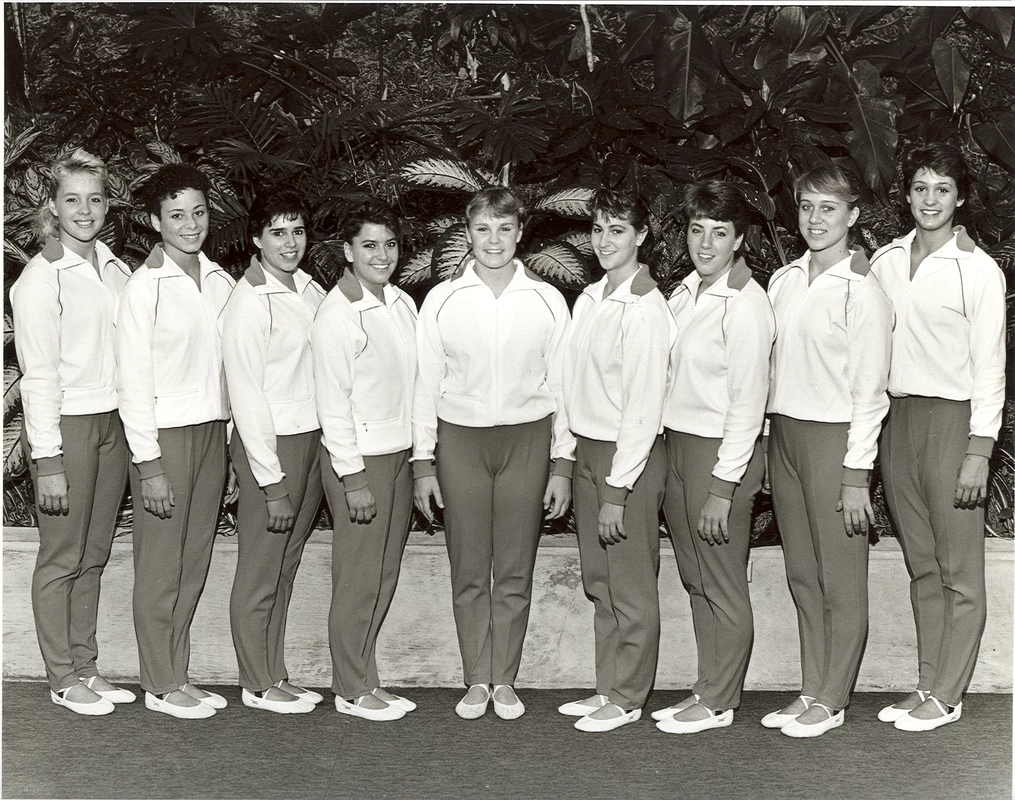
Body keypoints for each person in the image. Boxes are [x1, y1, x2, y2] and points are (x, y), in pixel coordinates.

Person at [413, 187, 574, 720]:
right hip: (460, 440)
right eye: (483, 229)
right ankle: (475, 679)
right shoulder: (441, 299)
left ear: (520, 232)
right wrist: (423, 462)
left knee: (513, 566)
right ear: (468, 232)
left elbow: (564, 384)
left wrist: (563, 463)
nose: (494, 240)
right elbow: (424, 384)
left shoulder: (548, 299)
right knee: (468, 565)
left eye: (504, 229)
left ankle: (505, 679)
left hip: (528, 438)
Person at [870, 143, 1006, 732]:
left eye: (942, 189)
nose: (930, 200)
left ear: (961, 198)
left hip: (954, 422)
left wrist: (979, 450)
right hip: (897, 421)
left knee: (959, 570)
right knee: (921, 563)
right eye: (921, 188)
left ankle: (948, 694)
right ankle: (927, 682)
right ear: (907, 195)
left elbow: (990, 367)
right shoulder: (884, 261)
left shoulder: (978, 269)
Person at [762, 165, 893, 738]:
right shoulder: (784, 280)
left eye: (829, 208)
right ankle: (812, 686)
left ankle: (833, 697)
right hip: (786, 436)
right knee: (803, 574)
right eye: (807, 206)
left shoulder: (863, 292)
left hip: (835, 439)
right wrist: (768, 442)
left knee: (840, 577)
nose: (816, 219)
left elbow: (871, 393)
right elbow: (771, 370)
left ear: (853, 215)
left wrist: (855, 472)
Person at [10, 149, 134, 715]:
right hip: (66, 427)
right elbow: (38, 376)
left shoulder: (115, 268)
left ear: (108, 204)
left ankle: (85, 664)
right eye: (72, 200)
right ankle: (62, 677)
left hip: (113, 423)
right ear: (53, 208)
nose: (85, 210)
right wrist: (50, 458)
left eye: (95, 198)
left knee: (94, 552)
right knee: (61, 555)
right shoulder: (40, 280)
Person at [653, 182, 775, 735]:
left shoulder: (747, 305)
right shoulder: (685, 293)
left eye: (719, 233)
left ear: (739, 239)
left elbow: (749, 403)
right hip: (679, 445)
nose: (705, 242)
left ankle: (722, 699)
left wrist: (724, 487)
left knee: (722, 579)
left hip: (721, 453)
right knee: (696, 576)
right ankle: (707, 684)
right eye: (696, 229)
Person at [116, 163, 236, 719]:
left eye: (199, 212)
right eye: (177, 215)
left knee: (194, 560)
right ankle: (160, 683)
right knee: (161, 564)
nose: (191, 225)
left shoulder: (220, 282)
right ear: (154, 221)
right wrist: (150, 463)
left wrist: (231, 444)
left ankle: (178, 673)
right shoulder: (144, 290)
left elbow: (230, 371)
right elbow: (133, 382)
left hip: (213, 432)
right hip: (164, 436)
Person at [558, 188, 676, 733]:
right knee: (599, 580)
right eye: (598, 229)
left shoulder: (645, 308)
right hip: (588, 450)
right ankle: (609, 684)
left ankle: (628, 696)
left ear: (641, 237)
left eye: (618, 230)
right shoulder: (591, 297)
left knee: (629, 583)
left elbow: (643, 410)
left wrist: (617, 490)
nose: (604, 241)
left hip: (626, 460)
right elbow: (569, 385)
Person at [221, 189, 327, 714]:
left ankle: (276, 671)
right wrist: (269, 480)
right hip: (271, 444)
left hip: (309, 439)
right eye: (278, 232)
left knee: (286, 564)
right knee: (261, 568)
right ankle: (256, 681)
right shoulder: (247, 304)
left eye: (298, 230)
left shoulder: (308, 288)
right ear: (256, 239)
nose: (290, 242)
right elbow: (246, 398)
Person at [313, 202, 419, 721]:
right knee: (358, 576)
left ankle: (367, 677)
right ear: (348, 252)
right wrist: (352, 478)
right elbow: (332, 403)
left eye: (390, 244)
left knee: (384, 573)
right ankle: (351, 687)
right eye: (369, 245)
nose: (382, 255)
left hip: (398, 453)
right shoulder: (337, 314)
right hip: (361, 462)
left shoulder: (400, 302)